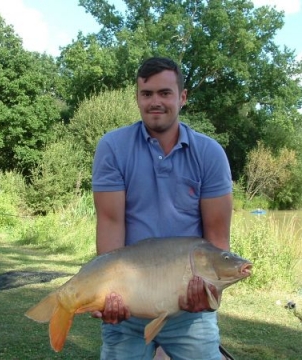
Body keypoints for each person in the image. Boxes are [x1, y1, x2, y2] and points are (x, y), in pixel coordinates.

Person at [91, 56, 233, 360]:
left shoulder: (210, 154)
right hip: (129, 305)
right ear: (137, 98)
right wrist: (109, 295)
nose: (155, 102)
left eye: (165, 93)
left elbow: (218, 239)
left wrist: (210, 294)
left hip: (189, 313)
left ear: (182, 97)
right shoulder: (113, 147)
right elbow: (111, 225)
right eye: (147, 94)